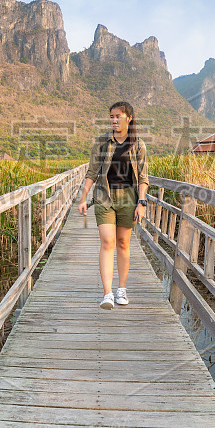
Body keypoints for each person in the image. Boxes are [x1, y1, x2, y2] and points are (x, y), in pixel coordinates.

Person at [78, 101, 149, 310]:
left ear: (129, 118)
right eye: (111, 116)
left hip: (129, 197)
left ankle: (121, 289)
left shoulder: (138, 145)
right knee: (107, 241)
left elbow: (143, 177)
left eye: (118, 116)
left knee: (123, 243)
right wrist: (82, 198)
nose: (114, 120)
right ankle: (107, 293)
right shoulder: (102, 142)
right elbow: (92, 173)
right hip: (104, 196)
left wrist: (141, 202)